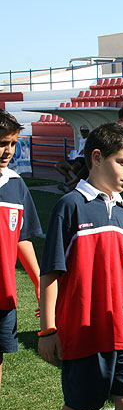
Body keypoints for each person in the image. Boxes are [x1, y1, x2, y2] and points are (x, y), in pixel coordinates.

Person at [38, 123, 123, 410]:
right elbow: (51, 273)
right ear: (96, 158)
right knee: (79, 404)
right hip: (83, 330)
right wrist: (48, 330)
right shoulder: (70, 206)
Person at [0, 109, 42, 387]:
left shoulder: (15, 184)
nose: (9, 150)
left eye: (13, 143)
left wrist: (39, 283)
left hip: (4, 296)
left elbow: (21, 237)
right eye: (3, 142)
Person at [55, 125, 90, 192]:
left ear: (88, 132)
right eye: (82, 131)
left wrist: (86, 150)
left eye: (85, 131)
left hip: (83, 160)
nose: (83, 133)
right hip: (77, 158)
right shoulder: (81, 140)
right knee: (58, 165)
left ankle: (71, 184)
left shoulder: (90, 140)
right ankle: (71, 181)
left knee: (74, 168)